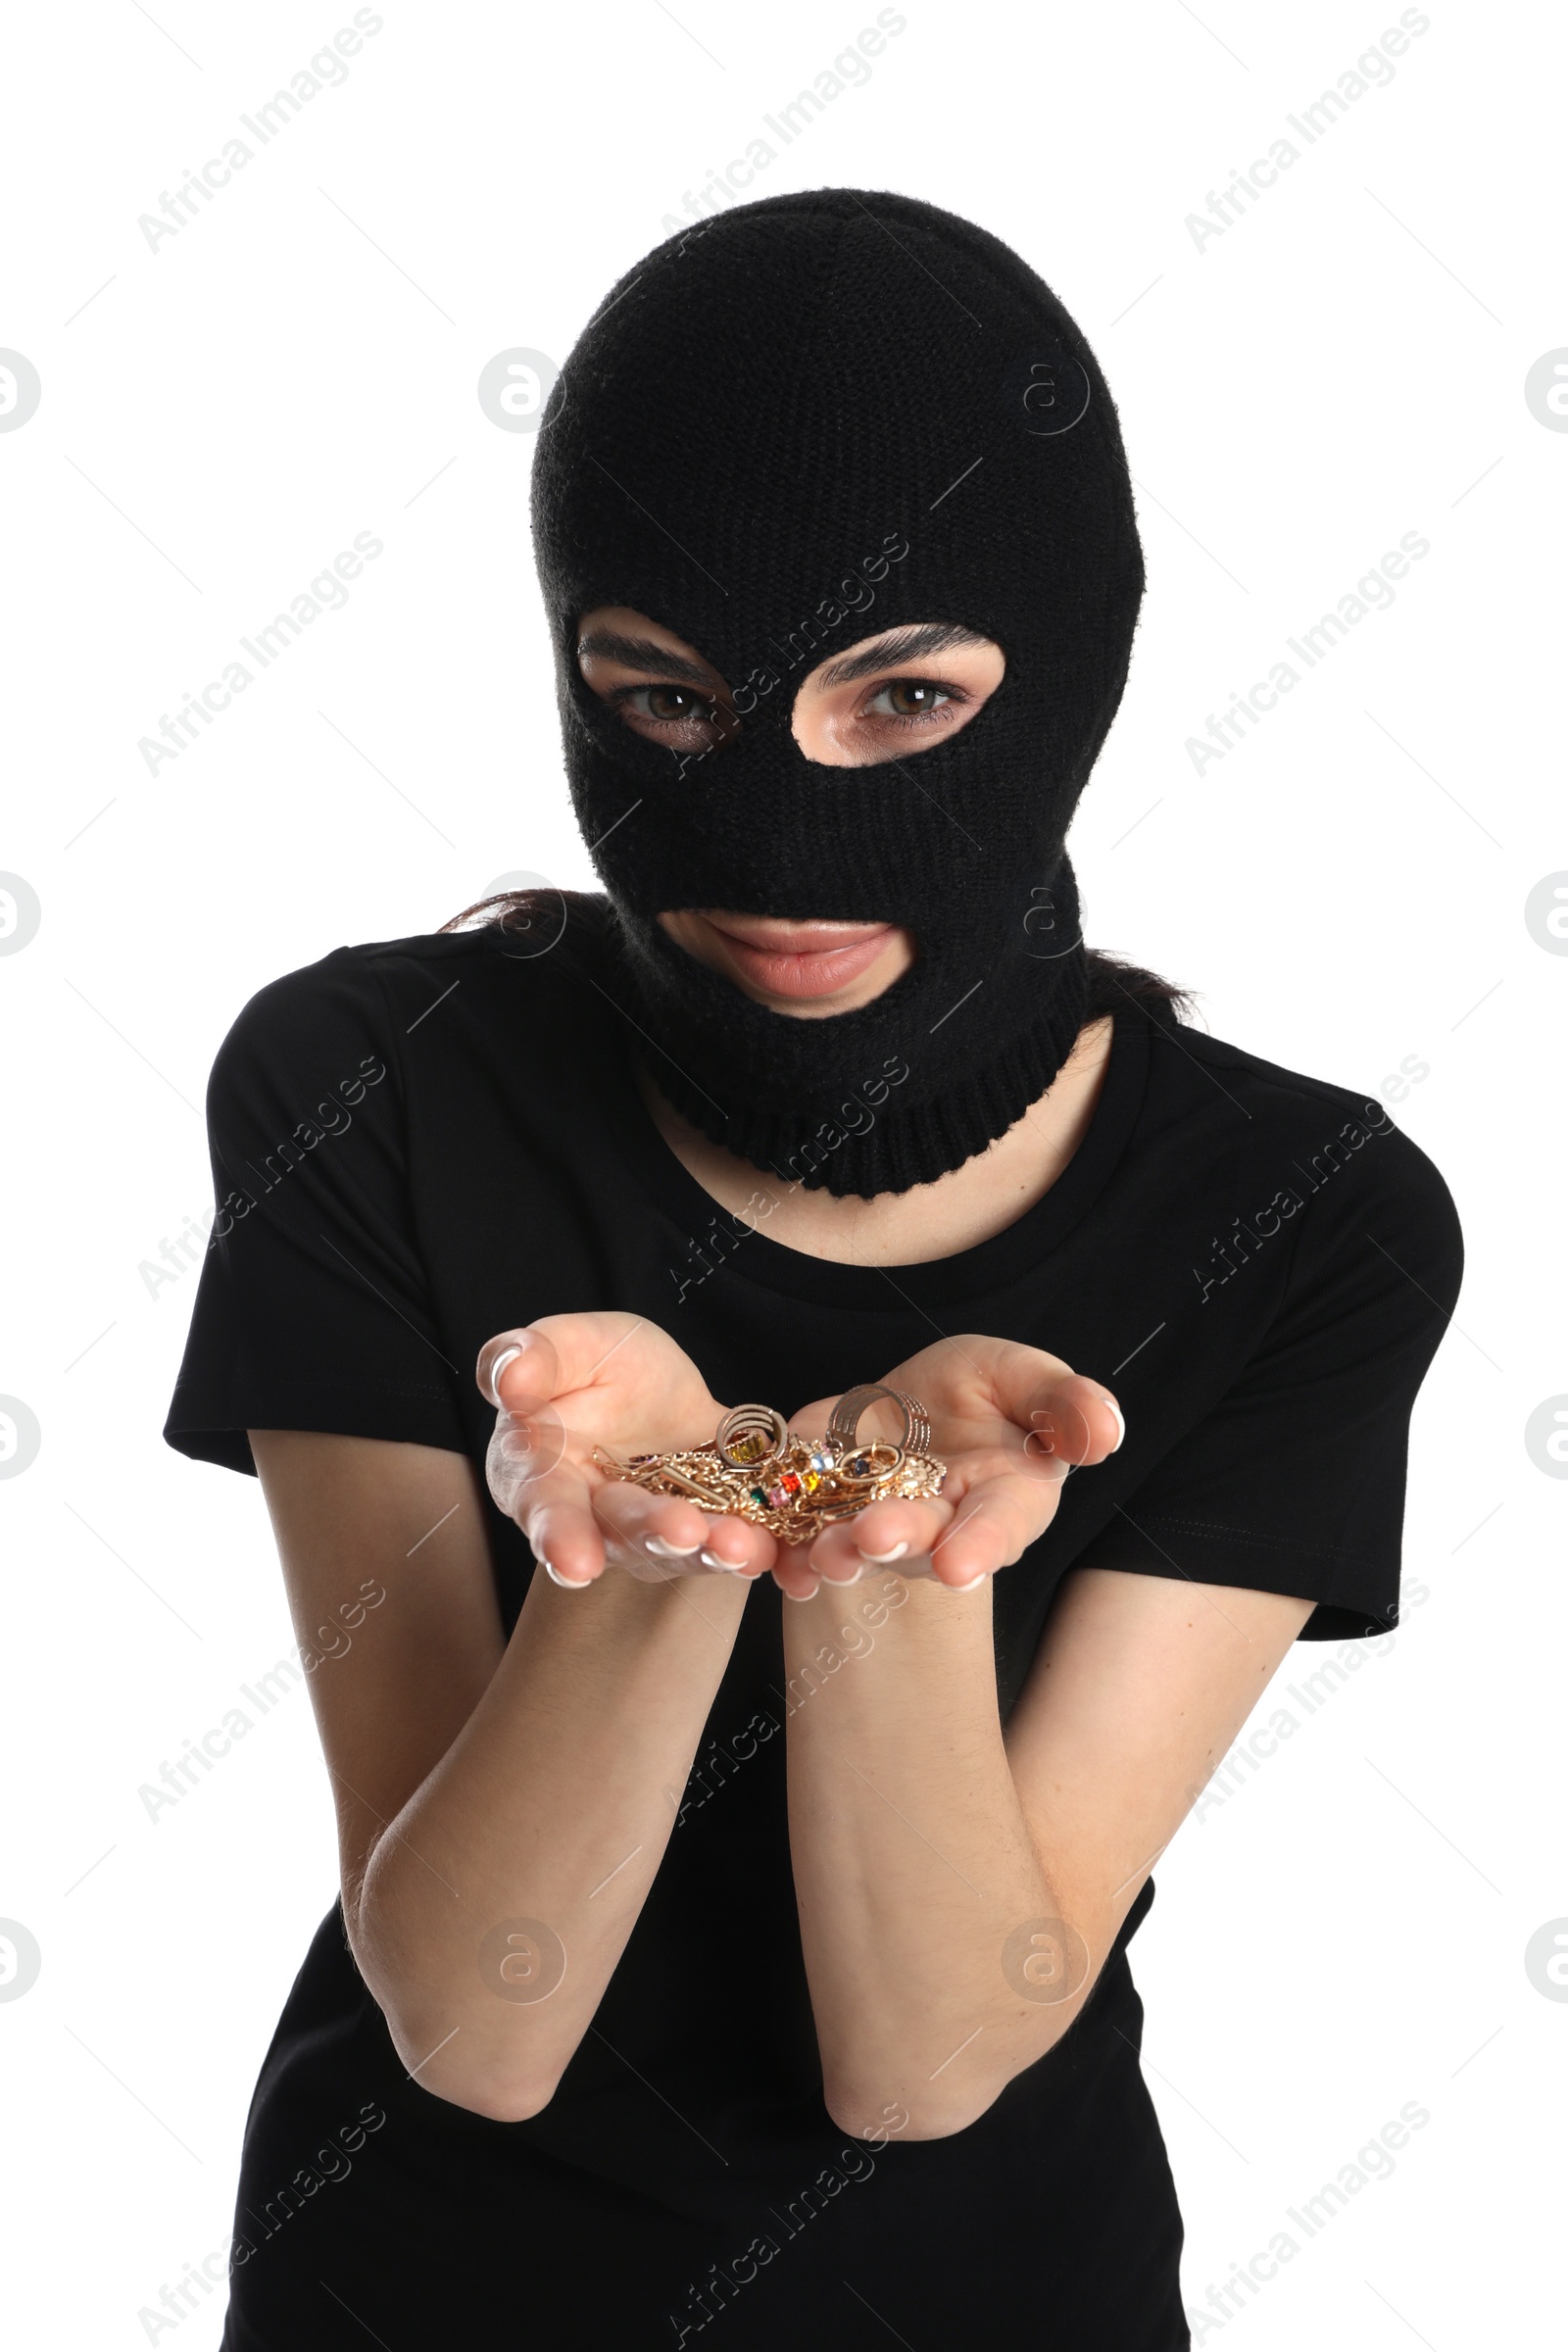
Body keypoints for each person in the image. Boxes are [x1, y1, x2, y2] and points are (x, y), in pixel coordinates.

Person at [165, 188, 1461, 2351]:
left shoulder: (1304, 1216)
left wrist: (865, 1545)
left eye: (903, 697)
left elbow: (932, 2050)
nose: (770, 840)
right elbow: (471, 2018)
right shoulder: (365, 1082)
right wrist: (674, 1538)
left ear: (1069, 665)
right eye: (661, 699)